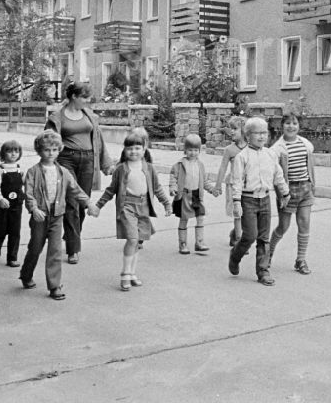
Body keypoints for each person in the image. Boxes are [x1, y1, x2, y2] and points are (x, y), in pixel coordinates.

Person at [88, 129, 172, 292]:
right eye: (130, 148)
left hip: (143, 206)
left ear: (144, 149)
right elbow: (111, 190)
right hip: (127, 206)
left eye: (137, 148)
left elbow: (157, 188)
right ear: (125, 150)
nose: (134, 151)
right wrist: (98, 206)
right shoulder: (121, 169)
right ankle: (125, 273)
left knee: (138, 240)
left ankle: (132, 273)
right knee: (132, 239)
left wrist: (167, 204)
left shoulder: (148, 168)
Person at [19, 130, 97, 301]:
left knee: (54, 251)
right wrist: (33, 209)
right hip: (40, 216)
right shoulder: (33, 172)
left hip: (57, 216)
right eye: (47, 150)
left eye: (54, 150)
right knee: (35, 248)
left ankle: (54, 286)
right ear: (39, 150)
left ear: (59, 150)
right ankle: (26, 274)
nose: (51, 153)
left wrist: (89, 203)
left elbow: (76, 190)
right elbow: (29, 193)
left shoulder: (63, 172)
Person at [45, 82, 114, 265]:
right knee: (71, 202)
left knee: (83, 202)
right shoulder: (57, 117)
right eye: (84, 97)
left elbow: (98, 139)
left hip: (88, 159)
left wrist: (107, 164)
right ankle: (73, 248)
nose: (87, 100)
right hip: (66, 159)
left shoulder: (89, 115)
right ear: (73, 96)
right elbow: (48, 140)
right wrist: (48, 164)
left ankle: (70, 236)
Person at [227, 117, 289, 286]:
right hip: (248, 199)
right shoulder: (242, 157)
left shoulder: (270, 154)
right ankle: (235, 255)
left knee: (263, 237)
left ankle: (263, 271)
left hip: (265, 198)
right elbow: (237, 181)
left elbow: (278, 175)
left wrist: (284, 193)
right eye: (257, 133)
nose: (262, 137)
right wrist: (236, 202)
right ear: (247, 135)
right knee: (250, 236)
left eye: (264, 133)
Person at [269, 114, 316, 275]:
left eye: (294, 123)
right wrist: (282, 193)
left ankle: (300, 260)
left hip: (305, 188)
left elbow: (309, 166)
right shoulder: (277, 149)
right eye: (287, 123)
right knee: (283, 226)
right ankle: (268, 253)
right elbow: (276, 174)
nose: (291, 126)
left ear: (299, 126)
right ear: (282, 126)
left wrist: (312, 185)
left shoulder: (306, 144)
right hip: (288, 191)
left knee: (304, 223)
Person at [169, 133, 213, 255]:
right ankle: (182, 243)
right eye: (190, 150)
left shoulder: (200, 165)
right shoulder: (179, 165)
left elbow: (204, 181)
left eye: (195, 150)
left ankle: (199, 242)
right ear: (185, 150)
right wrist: (173, 188)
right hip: (184, 195)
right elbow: (173, 177)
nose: (193, 153)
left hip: (196, 195)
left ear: (199, 150)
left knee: (200, 218)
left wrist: (212, 189)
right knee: (184, 219)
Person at [213, 115, 247, 246]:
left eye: (235, 129)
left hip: (248, 185)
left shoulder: (251, 148)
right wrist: (217, 186)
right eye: (231, 128)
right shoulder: (230, 150)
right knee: (237, 213)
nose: (231, 131)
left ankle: (234, 233)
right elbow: (223, 168)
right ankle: (239, 240)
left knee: (246, 213)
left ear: (243, 131)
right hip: (233, 184)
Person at [0, 139, 25, 267]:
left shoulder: (19, 169)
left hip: (17, 205)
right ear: (3, 153)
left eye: (16, 151)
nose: (13, 154)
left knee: (15, 231)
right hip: (3, 206)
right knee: (1, 230)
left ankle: (12, 257)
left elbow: (25, 183)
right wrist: (0, 198)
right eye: (9, 151)